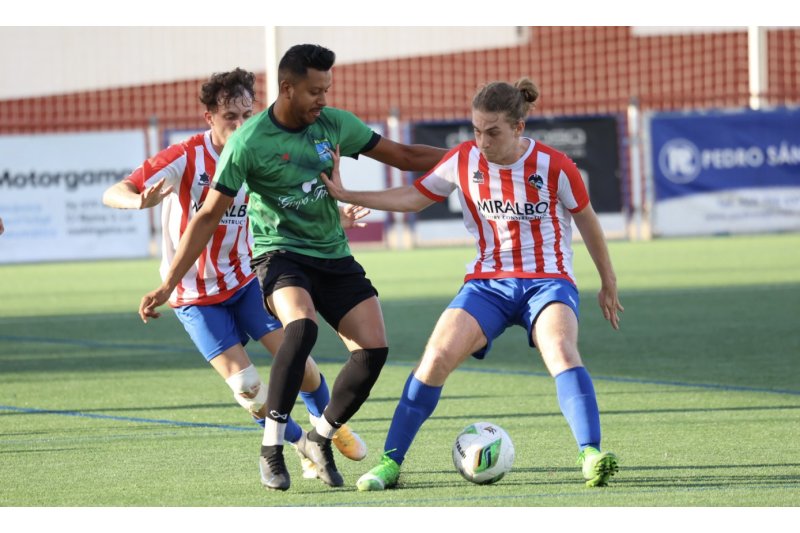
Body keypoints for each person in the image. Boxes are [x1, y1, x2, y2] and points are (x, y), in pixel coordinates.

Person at [137, 45, 448, 491]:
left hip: (332, 253)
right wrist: (168, 282)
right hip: (279, 253)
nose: (323, 98)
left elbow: (402, 155)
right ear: (287, 88)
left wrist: (468, 155)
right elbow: (206, 216)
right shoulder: (248, 142)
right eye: (314, 91)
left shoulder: (335, 124)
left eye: (327, 89)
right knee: (301, 327)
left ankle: (322, 436)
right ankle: (273, 446)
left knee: (374, 349)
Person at [320, 78, 623, 491]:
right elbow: (413, 197)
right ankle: (390, 465)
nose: (482, 141)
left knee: (561, 350)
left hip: (547, 282)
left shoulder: (555, 166)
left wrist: (608, 281)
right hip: (487, 285)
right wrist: (349, 192)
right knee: (435, 358)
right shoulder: (464, 160)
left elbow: (587, 220)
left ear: (518, 128)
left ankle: (590, 453)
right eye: (476, 130)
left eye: (492, 132)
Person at [103, 67, 369, 484]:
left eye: (248, 114)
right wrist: (136, 203)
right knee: (248, 388)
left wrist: (338, 215)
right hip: (193, 296)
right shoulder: (187, 157)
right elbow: (113, 191)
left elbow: (294, 199)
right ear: (209, 117)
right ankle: (302, 446)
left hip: (246, 282)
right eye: (231, 117)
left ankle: (329, 428)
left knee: (301, 364)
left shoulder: (265, 150)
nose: (242, 124)